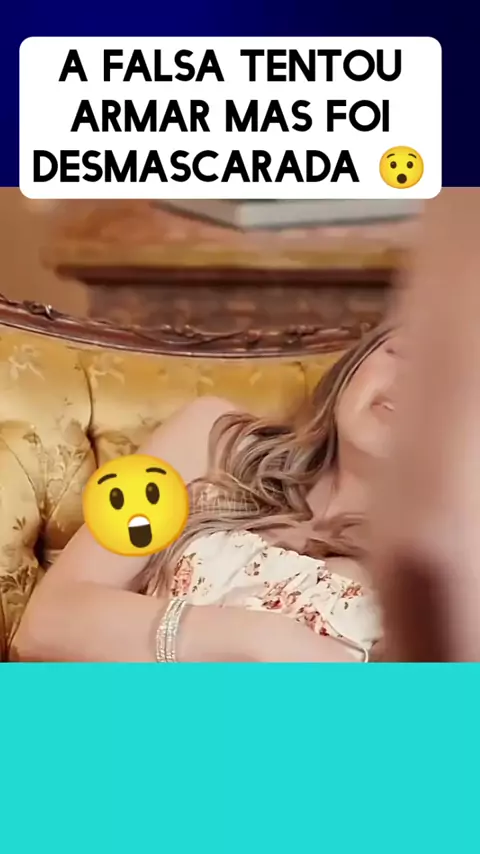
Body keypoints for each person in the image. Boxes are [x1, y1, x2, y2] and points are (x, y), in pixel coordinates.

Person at [13, 321, 399, 663]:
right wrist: (259, 639)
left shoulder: (428, 578)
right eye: (403, 353)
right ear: (354, 365)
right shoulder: (209, 441)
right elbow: (43, 627)